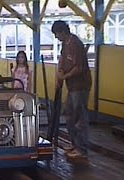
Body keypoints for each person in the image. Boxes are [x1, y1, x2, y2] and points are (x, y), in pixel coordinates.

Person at [52, 20, 92, 159]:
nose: (56, 37)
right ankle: (75, 144)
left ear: (62, 31)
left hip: (80, 85)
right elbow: (62, 59)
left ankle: (82, 149)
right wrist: (59, 76)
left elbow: (79, 68)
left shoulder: (76, 44)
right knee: (69, 114)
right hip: (71, 86)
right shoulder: (65, 43)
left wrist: (64, 76)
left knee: (79, 116)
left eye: (57, 34)